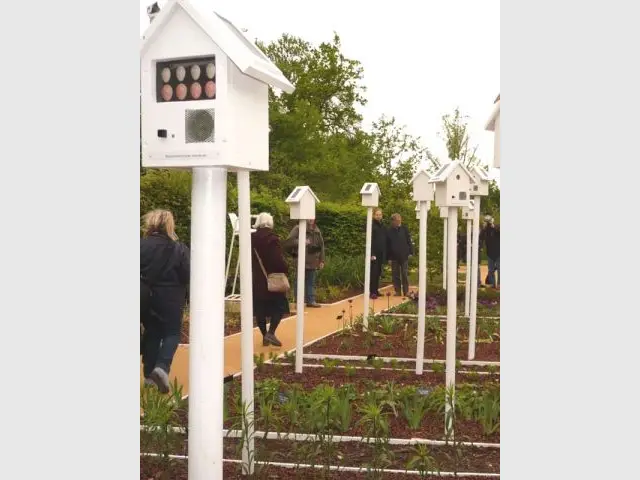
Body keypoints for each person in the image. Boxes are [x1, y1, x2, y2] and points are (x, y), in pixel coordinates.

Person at [140, 209, 190, 394]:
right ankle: (161, 368)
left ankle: (148, 376)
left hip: (145, 298)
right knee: (171, 333)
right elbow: (187, 274)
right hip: (170, 298)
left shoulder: (140, 245)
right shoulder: (178, 248)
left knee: (152, 332)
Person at [251, 212, 290, 347]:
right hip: (272, 279)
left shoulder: (251, 238)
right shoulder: (272, 239)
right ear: (270, 223)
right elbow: (277, 260)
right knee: (280, 306)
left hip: (257, 280)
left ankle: (264, 336)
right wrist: (286, 268)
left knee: (259, 309)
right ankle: (271, 332)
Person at [283, 219, 325, 308]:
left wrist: (322, 260)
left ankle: (311, 301)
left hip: (313, 261)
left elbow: (321, 246)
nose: (310, 219)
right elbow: (288, 242)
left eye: (312, 217)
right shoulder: (298, 228)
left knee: (311, 282)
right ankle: (299, 302)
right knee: (299, 281)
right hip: (300, 260)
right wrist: (301, 241)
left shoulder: (317, 231)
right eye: (309, 217)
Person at [386, 213, 413, 296]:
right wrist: (389, 257)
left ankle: (406, 291)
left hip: (404, 255)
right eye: (397, 220)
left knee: (404, 274)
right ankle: (397, 291)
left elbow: (409, 241)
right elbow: (387, 245)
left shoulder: (405, 229)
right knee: (395, 274)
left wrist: (411, 252)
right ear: (393, 221)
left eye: (399, 220)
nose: (398, 222)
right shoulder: (389, 230)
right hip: (394, 257)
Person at [369, 208, 387, 299]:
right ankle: (372, 292)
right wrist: (371, 253)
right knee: (373, 272)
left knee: (378, 272)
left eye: (380, 214)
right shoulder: (371, 225)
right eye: (377, 214)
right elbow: (370, 240)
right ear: (373, 215)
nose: (379, 216)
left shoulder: (382, 226)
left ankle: (376, 290)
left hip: (381, 253)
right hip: (374, 253)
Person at [480, 215, 500, 288]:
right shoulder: (485, 230)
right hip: (490, 253)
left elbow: (498, 230)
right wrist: (484, 228)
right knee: (490, 270)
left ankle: (499, 284)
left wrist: (493, 225)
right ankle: (492, 284)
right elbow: (480, 237)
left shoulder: (496, 228)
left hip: (499, 252)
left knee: (500, 269)